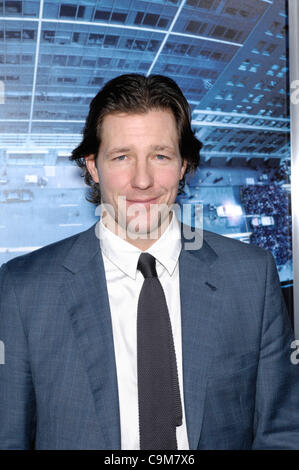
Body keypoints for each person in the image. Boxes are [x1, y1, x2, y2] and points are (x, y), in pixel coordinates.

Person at [0, 74, 298, 450]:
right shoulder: (24, 289)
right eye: (122, 157)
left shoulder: (252, 277)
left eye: (160, 156)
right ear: (93, 166)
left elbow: (283, 431)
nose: (142, 180)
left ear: (184, 164)